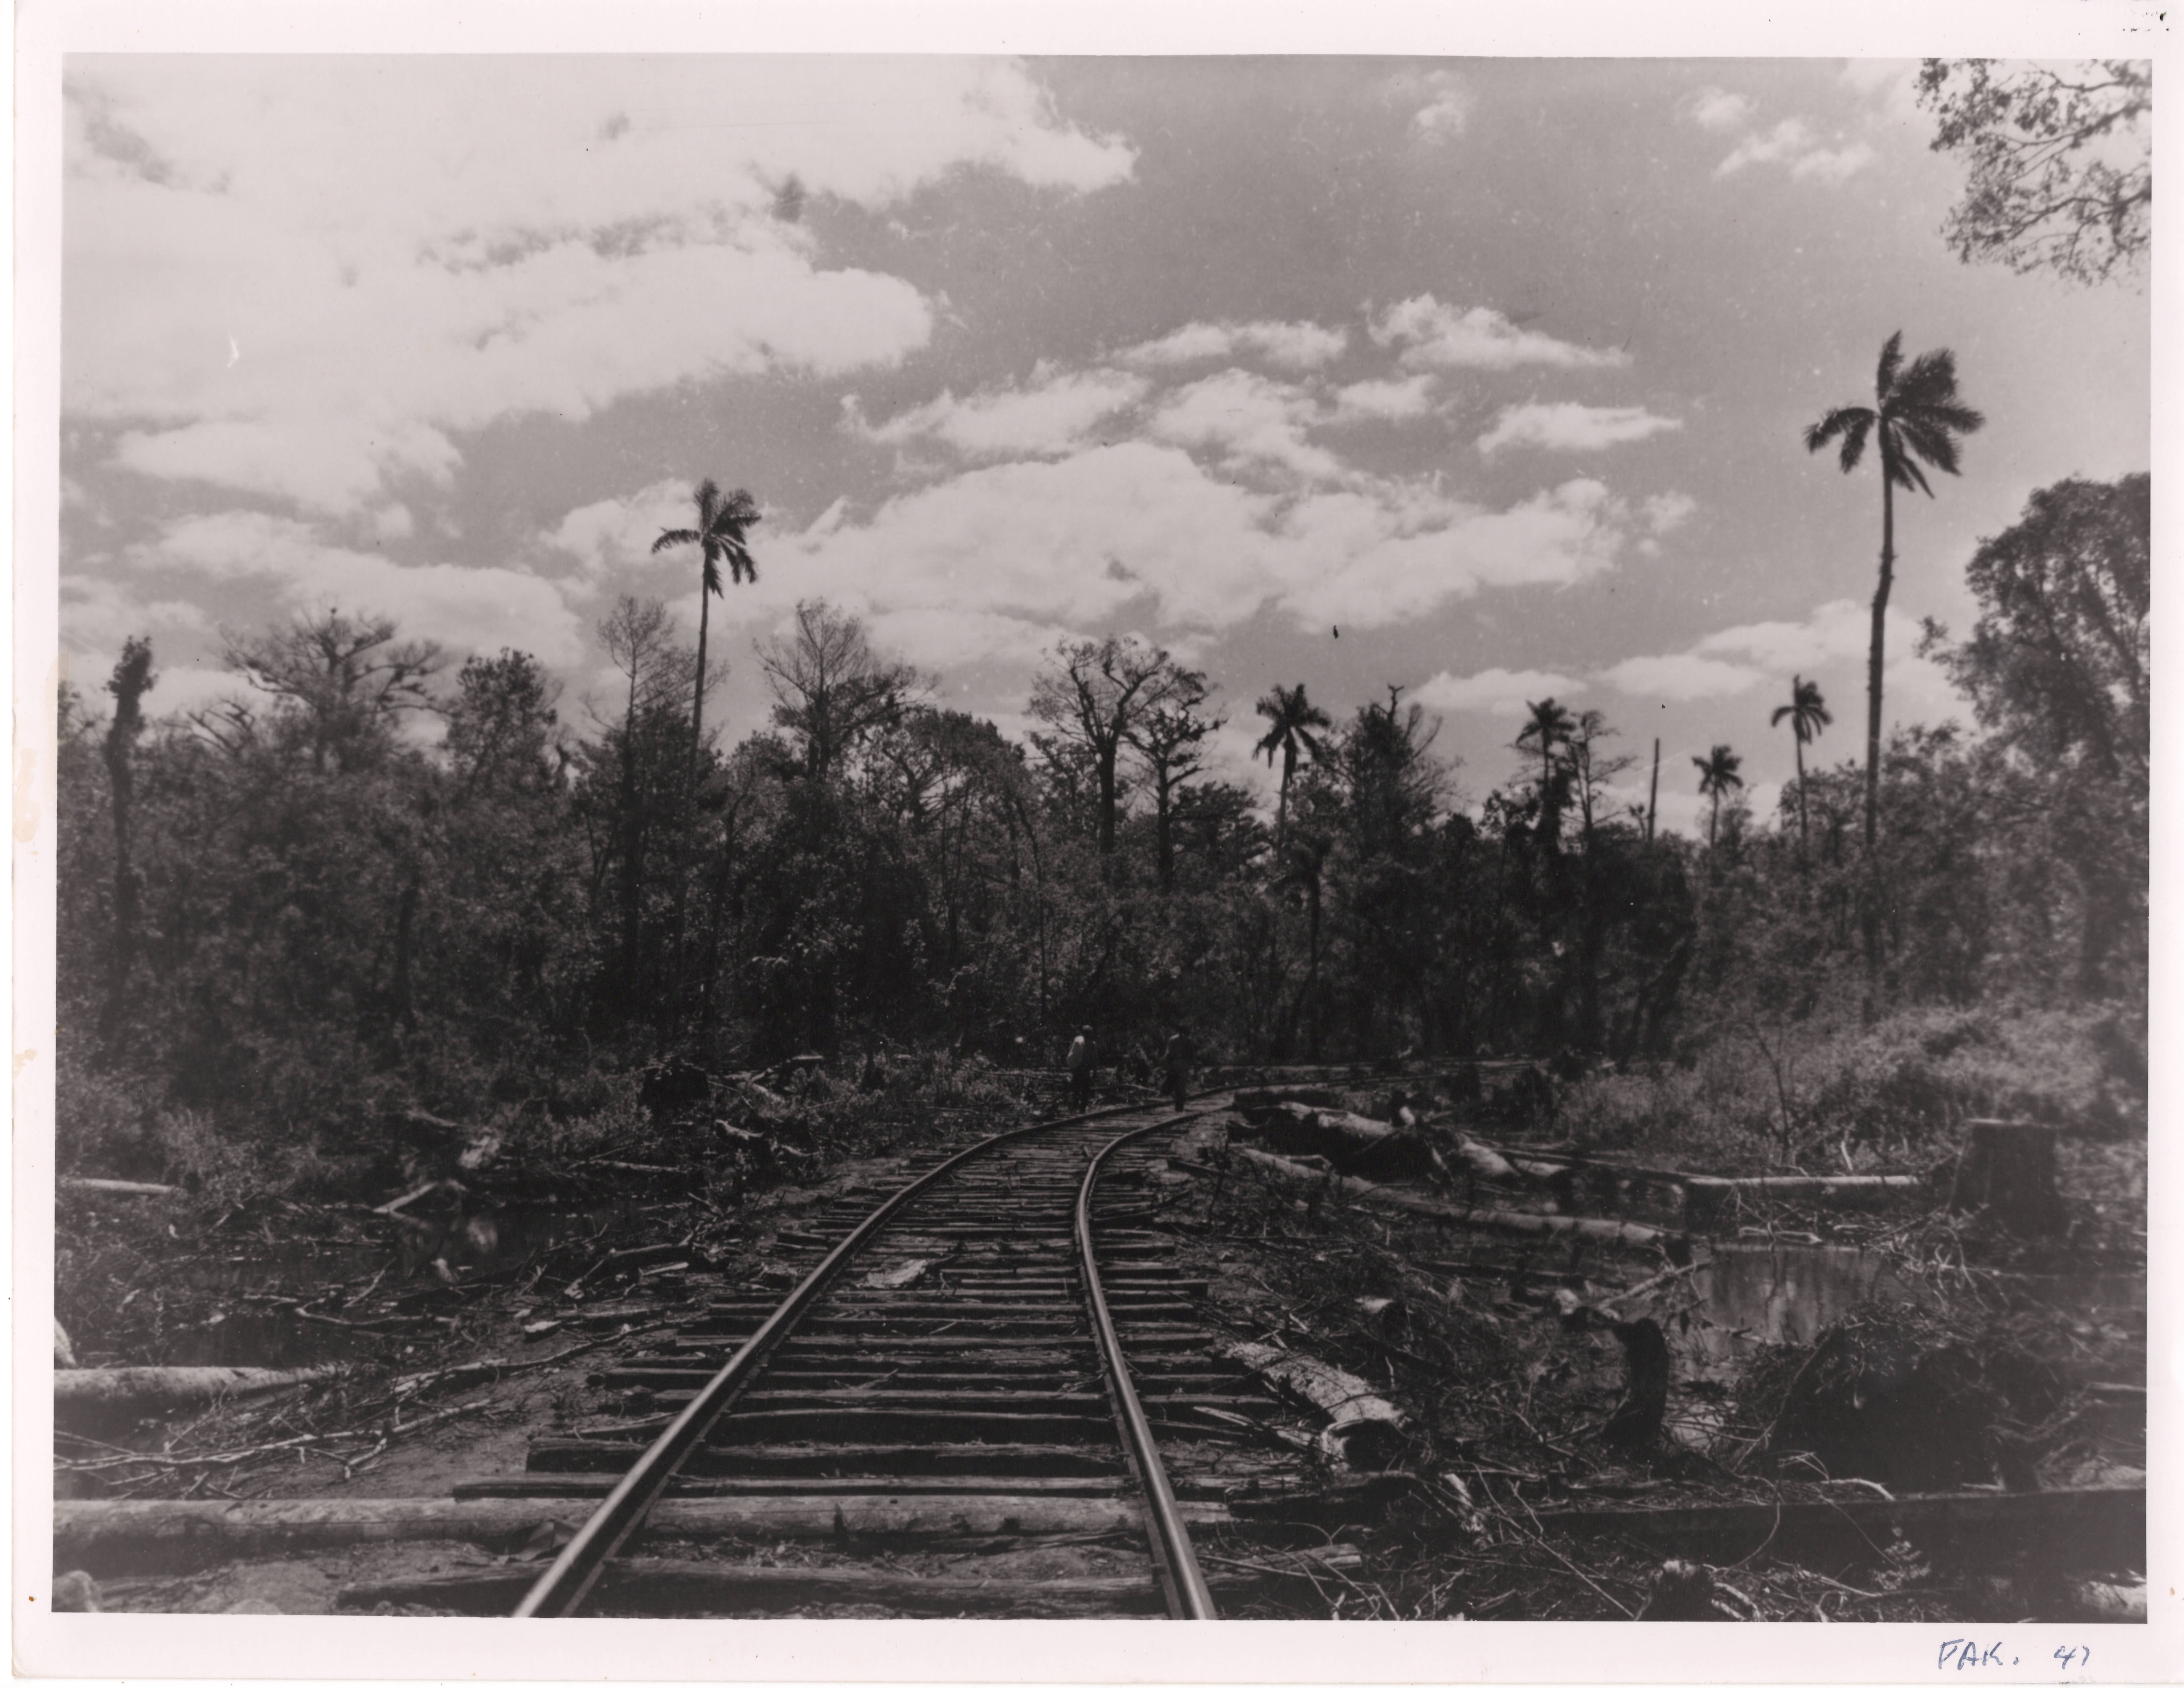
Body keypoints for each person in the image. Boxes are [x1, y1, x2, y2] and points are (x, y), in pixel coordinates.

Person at [1162, 1028, 1192, 1107]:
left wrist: (1167, 1065)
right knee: (1182, 1084)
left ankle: (1178, 1103)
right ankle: (1180, 1105)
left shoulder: (1172, 1040)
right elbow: (1191, 1054)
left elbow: (1168, 1054)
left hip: (1174, 1063)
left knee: (1175, 1082)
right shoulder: (1188, 1041)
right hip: (1183, 1064)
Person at [1066, 1026, 1093, 1106]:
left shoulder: (1078, 1040)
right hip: (1083, 1067)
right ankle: (1081, 1104)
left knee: (1077, 1086)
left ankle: (1077, 1103)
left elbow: (1072, 1053)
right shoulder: (1090, 1043)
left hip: (1079, 1067)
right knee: (1083, 1087)